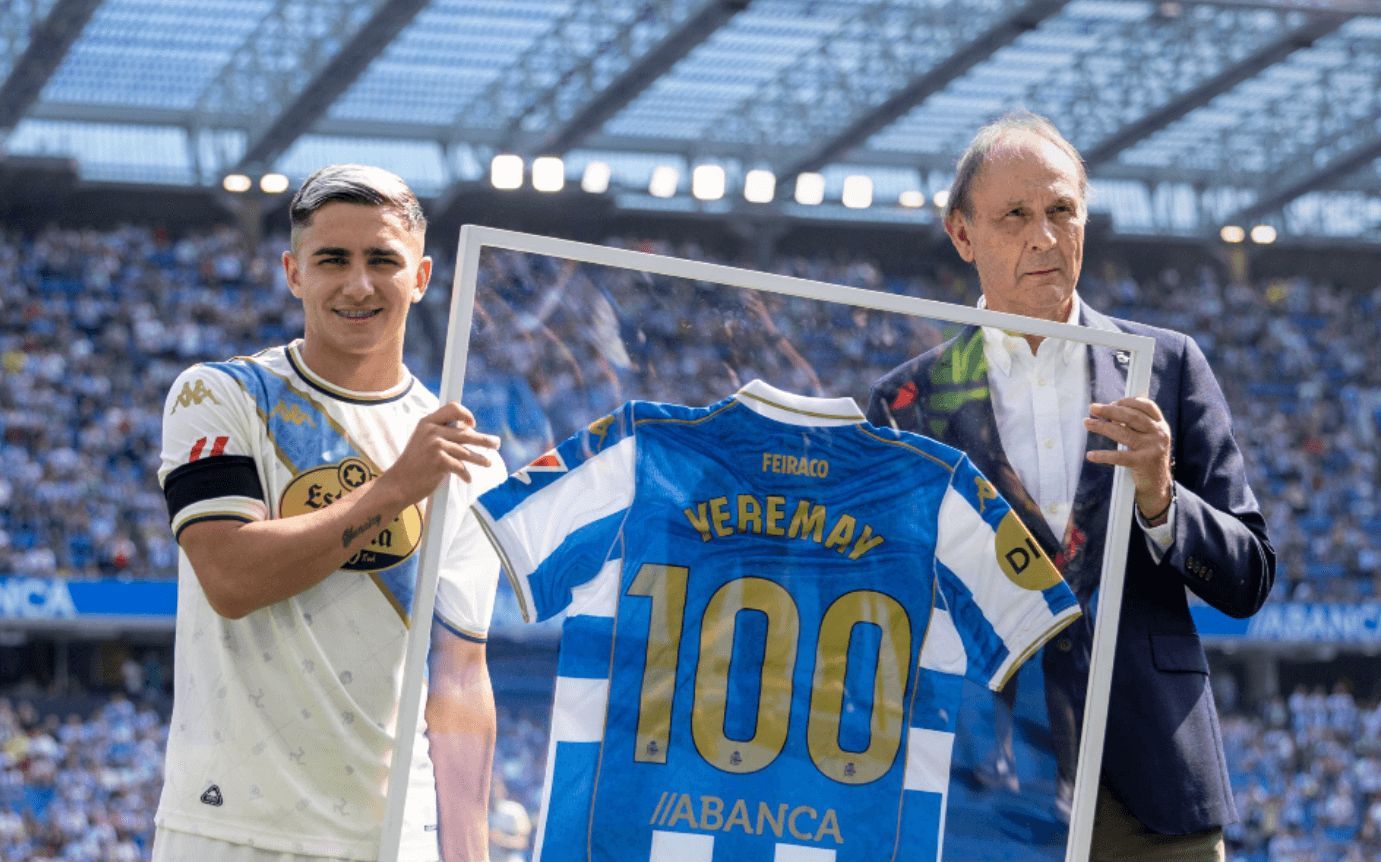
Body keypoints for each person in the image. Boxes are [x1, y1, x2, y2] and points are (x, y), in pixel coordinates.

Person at [868, 113, 1275, 860]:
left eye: (1061, 210)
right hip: (979, 788)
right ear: (961, 235)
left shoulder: (1167, 365)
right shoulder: (905, 404)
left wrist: (1162, 500)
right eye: (1014, 216)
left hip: (1150, 785)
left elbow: (1248, 577)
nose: (1044, 237)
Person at [151, 164, 505, 862]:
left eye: (382, 260)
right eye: (332, 260)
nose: (358, 283)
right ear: (293, 271)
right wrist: (395, 488)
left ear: (423, 276)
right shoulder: (219, 396)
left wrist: (468, 851)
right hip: (226, 831)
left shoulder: (468, 459)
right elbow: (231, 578)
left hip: (390, 840)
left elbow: (461, 675)